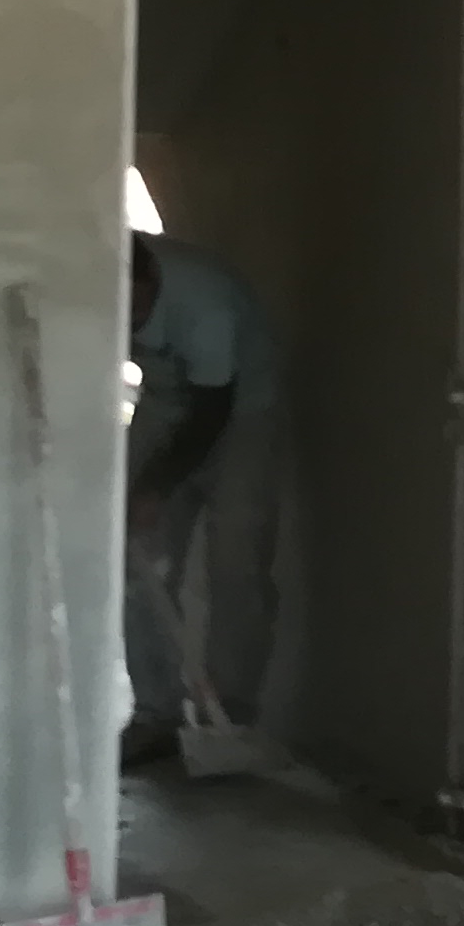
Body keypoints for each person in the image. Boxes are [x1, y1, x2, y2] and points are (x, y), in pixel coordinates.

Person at [124, 231, 269, 769]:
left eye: (136, 307)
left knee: (237, 559)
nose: (128, 321)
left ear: (152, 283)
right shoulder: (97, 283)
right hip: (164, 400)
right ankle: (156, 714)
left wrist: (155, 487)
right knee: (135, 563)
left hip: (243, 409)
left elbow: (212, 410)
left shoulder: (204, 304)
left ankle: (229, 713)